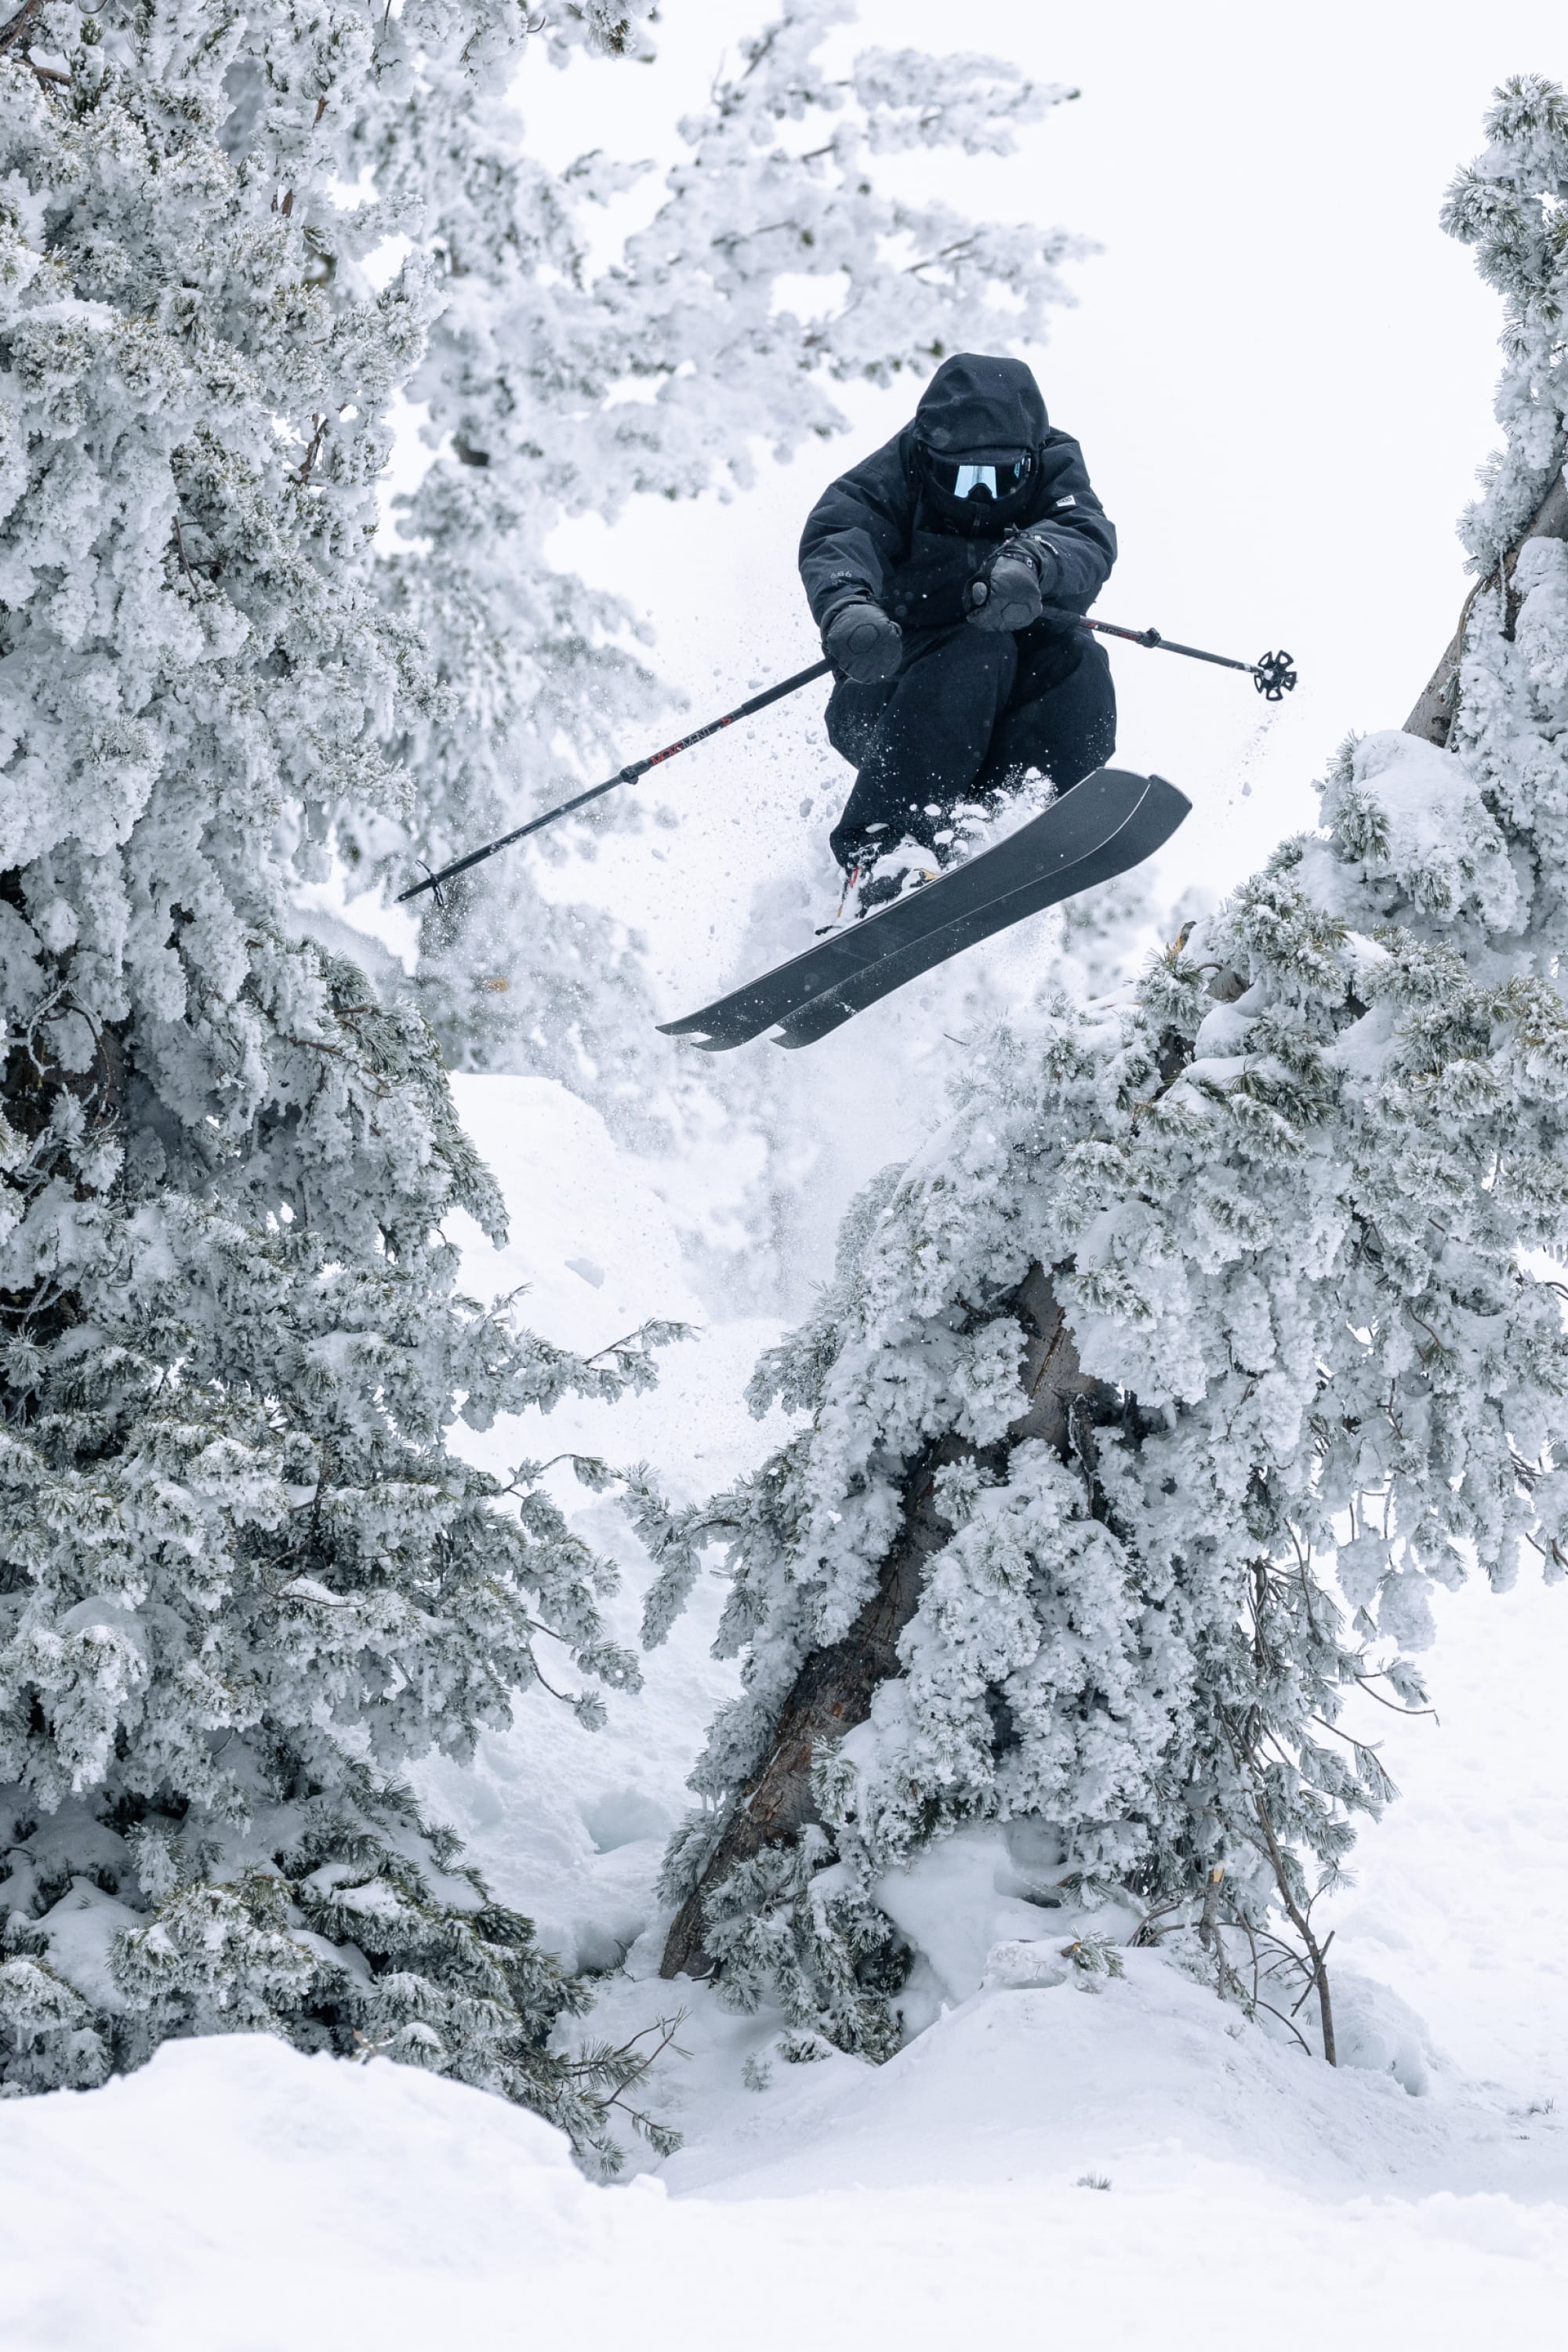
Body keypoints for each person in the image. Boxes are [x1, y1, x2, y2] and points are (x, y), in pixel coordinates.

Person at [799, 351, 1117, 909]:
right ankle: (885, 852)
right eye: (962, 477)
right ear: (929, 457)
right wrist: (848, 610)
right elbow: (840, 536)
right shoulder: (890, 476)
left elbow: (1084, 533)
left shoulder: (1054, 462)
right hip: (892, 702)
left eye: (998, 480)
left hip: (1004, 722)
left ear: (1029, 460)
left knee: (1076, 659)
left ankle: (1023, 813)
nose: (979, 497)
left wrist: (1034, 560)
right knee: (977, 649)